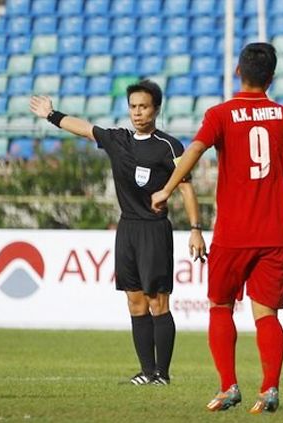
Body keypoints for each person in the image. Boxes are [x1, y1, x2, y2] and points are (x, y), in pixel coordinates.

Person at [150, 42, 283, 414]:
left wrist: (167, 189)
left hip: (233, 233)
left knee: (220, 306)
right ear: (272, 77)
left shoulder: (220, 114)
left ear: (239, 72)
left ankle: (228, 387)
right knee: (267, 314)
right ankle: (269, 390)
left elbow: (194, 151)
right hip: (275, 234)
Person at [29, 80, 207, 385]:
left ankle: (163, 374)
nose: (138, 113)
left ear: (156, 109)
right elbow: (84, 128)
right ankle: (147, 371)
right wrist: (51, 115)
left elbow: (187, 189)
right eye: (133, 107)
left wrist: (195, 229)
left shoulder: (169, 146)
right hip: (127, 229)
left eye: (144, 107)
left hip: (155, 230)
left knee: (157, 301)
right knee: (135, 301)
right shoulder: (118, 140)